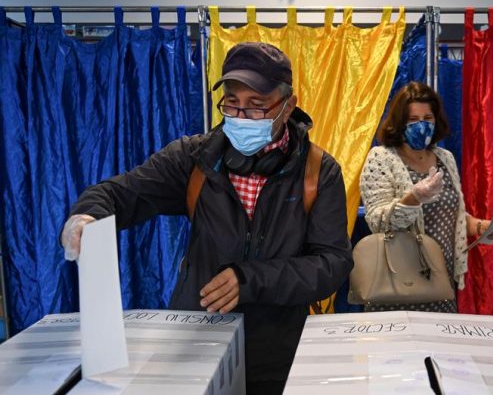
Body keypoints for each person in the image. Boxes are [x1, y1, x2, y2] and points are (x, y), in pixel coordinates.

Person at [60, 42, 353, 395]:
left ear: (288, 105)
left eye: (257, 105)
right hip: (196, 343)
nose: (241, 117)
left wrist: (250, 279)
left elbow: (332, 263)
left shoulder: (318, 172)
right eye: (232, 103)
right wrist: (87, 215)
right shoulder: (194, 159)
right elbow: (118, 193)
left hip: (278, 353)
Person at [359, 81, 493, 313]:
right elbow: (378, 222)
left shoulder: (445, 158)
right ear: (399, 122)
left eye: (427, 118)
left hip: (441, 287)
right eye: (413, 119)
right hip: (396, 288)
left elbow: (450, 215)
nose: (422, 125)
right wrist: (413, 198)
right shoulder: (381, 158)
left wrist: (481, 226)